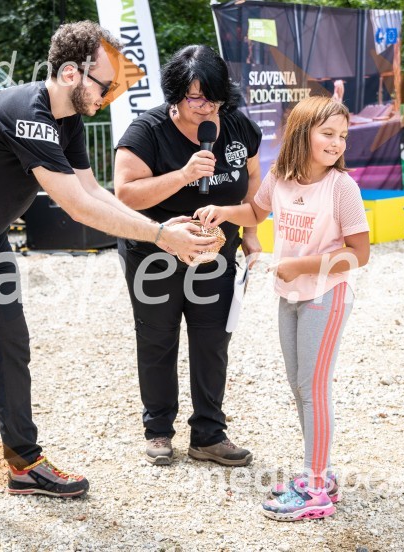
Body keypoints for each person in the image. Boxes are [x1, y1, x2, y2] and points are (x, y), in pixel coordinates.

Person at [0, 21, 216, 525]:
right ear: (70, 72)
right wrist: (162, 237)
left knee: (12, 349)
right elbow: (75, 207)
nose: (110, 94)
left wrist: (159, 225)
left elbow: (95, 194)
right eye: (104, 84)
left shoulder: (66, 117)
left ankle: (24, 465)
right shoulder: (30, 115)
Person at [195, 96, 370, 521]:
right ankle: (320, 474)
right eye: (327, 133)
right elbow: (256, 210)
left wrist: (300, 266)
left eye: (342, 136)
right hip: (288, 295)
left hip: (325, 296)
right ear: (302, 133)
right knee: (300, 387)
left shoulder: (342, 187)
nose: (336, 143)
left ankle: (314, 490)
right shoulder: (281, 176)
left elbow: (359, 254)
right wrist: (222, 212)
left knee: (313, 389)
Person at [113, 45, 262, 467]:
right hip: (154, 254)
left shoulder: (236, 127)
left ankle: (209, 435)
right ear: (175, 95)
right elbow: (125, 193)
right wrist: (182, 176)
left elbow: (252, 176)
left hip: (216, 253)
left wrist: (250, 234)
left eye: (213, 98)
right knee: (158, 338)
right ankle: (159, 430)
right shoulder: (147, 131)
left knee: (213, 340)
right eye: (196, 98)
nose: (206, 108)